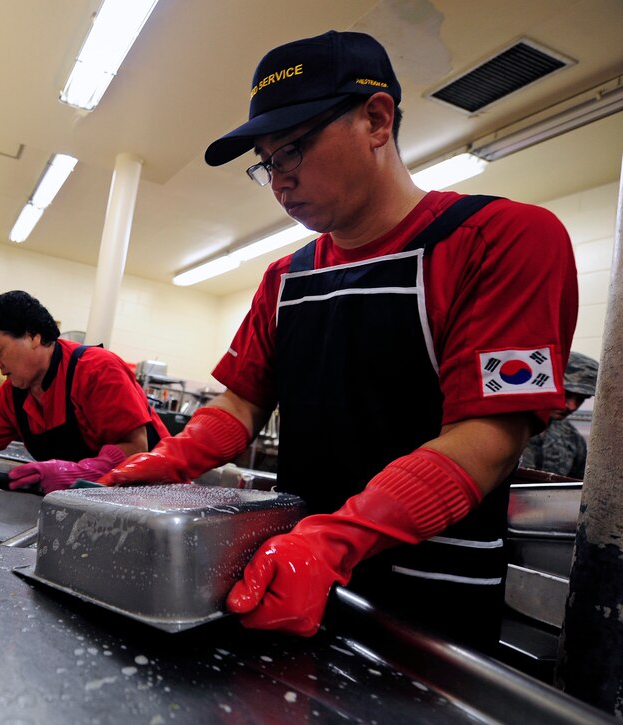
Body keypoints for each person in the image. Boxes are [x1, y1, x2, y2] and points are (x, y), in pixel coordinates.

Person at [99, 30, 578, 651]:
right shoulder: (285, 279)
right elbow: (242, 405)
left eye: (291, 151)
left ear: (377, 120)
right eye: (266, 163)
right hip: (288, 576)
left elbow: (488, 436)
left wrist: (335, 542)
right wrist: (166, 460)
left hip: (430, 604)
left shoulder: (501, 239)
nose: (278, 181)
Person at [0, 290, 170, 494]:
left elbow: (136, 447)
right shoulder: (11, 396)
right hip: (91, 504)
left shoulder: (96, 369)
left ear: (34, 336)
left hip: (153, 498)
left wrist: (75, 473)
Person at [522, 352, 598, 478]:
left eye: (581, 399)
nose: (572, 406)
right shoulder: (506, 428)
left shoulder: (572, 438)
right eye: (566, 394)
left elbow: (577, 489)